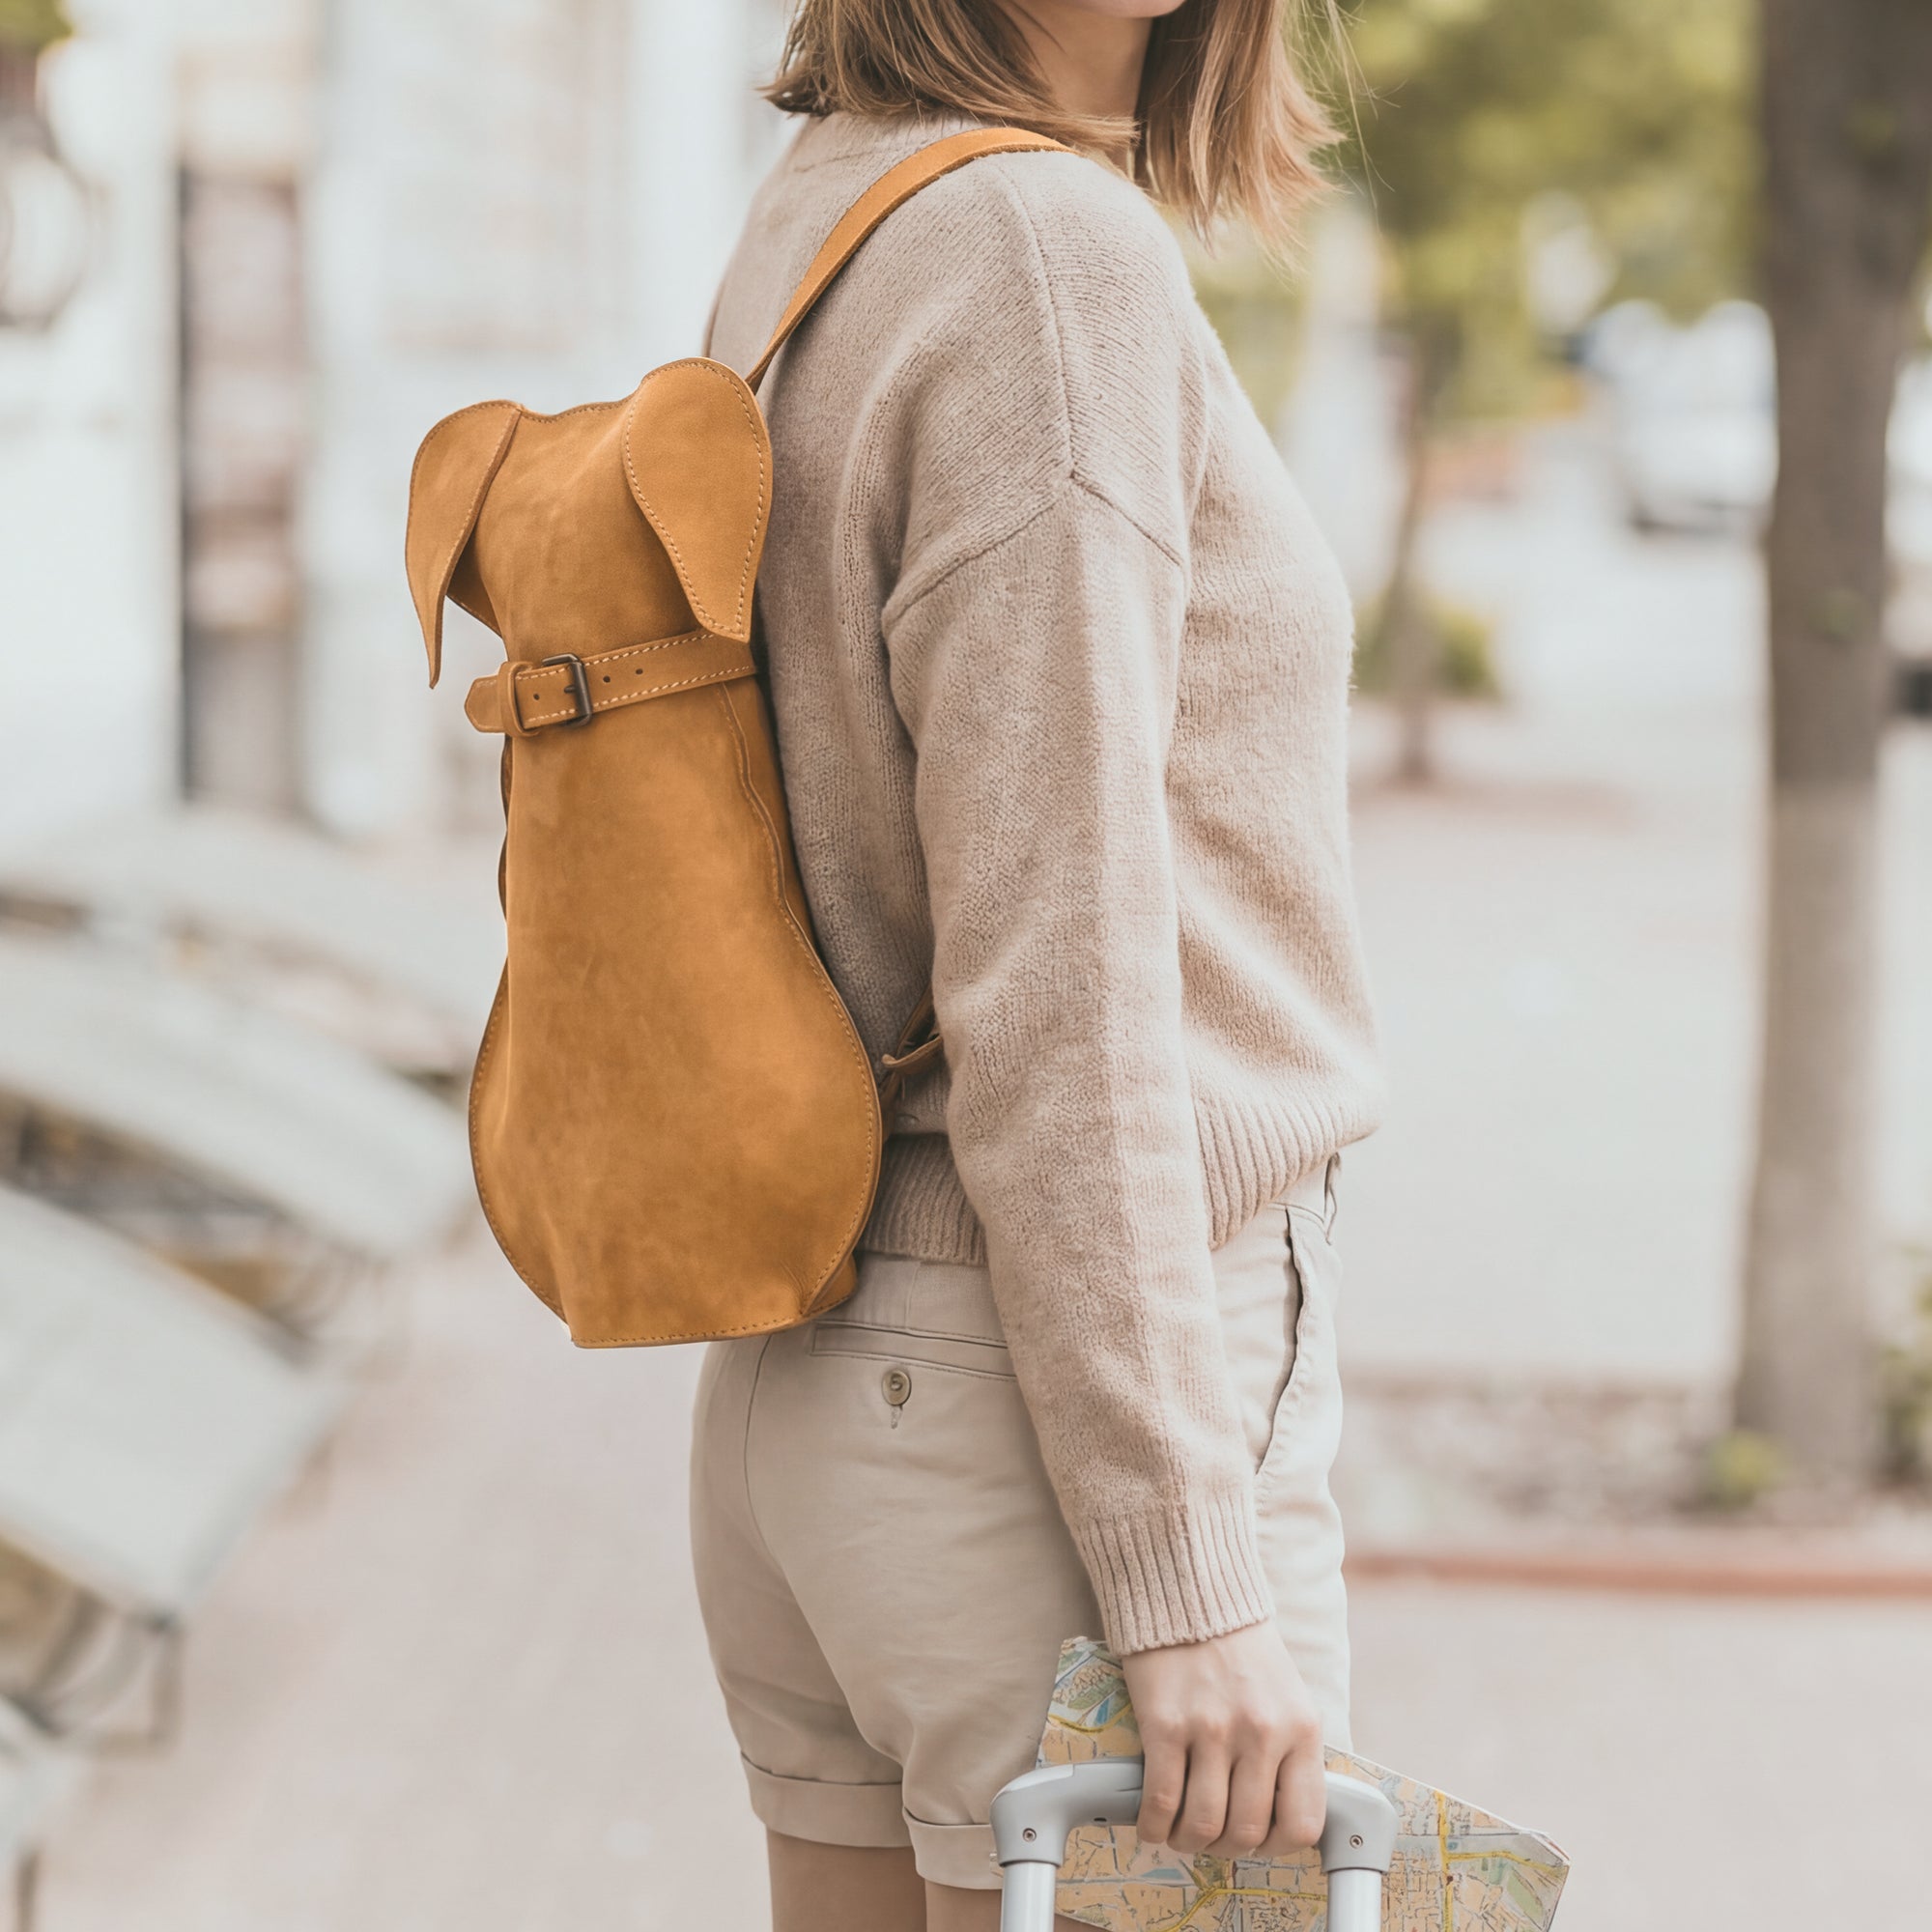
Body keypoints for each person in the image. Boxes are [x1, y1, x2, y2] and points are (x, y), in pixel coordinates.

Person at [691, 3, 1381, 1927]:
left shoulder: (830, 205)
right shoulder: (1042, 257)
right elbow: (1056, 987)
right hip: (1042, 1425)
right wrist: (1185, 1570)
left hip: (828, 1392)